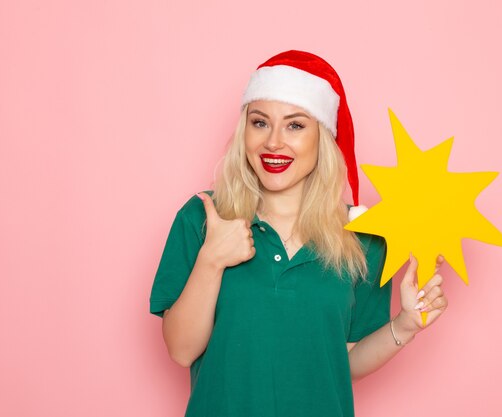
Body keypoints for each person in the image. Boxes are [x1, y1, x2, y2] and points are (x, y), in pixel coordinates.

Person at [149, 50, 448, 417]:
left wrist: (405, 324)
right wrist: (212, 260)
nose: (273, 142)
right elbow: (180, 351)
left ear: (322, 136)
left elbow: (345, 358)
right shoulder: (203, 217)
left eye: (295, 125)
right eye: (260, 123)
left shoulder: (363, 238)